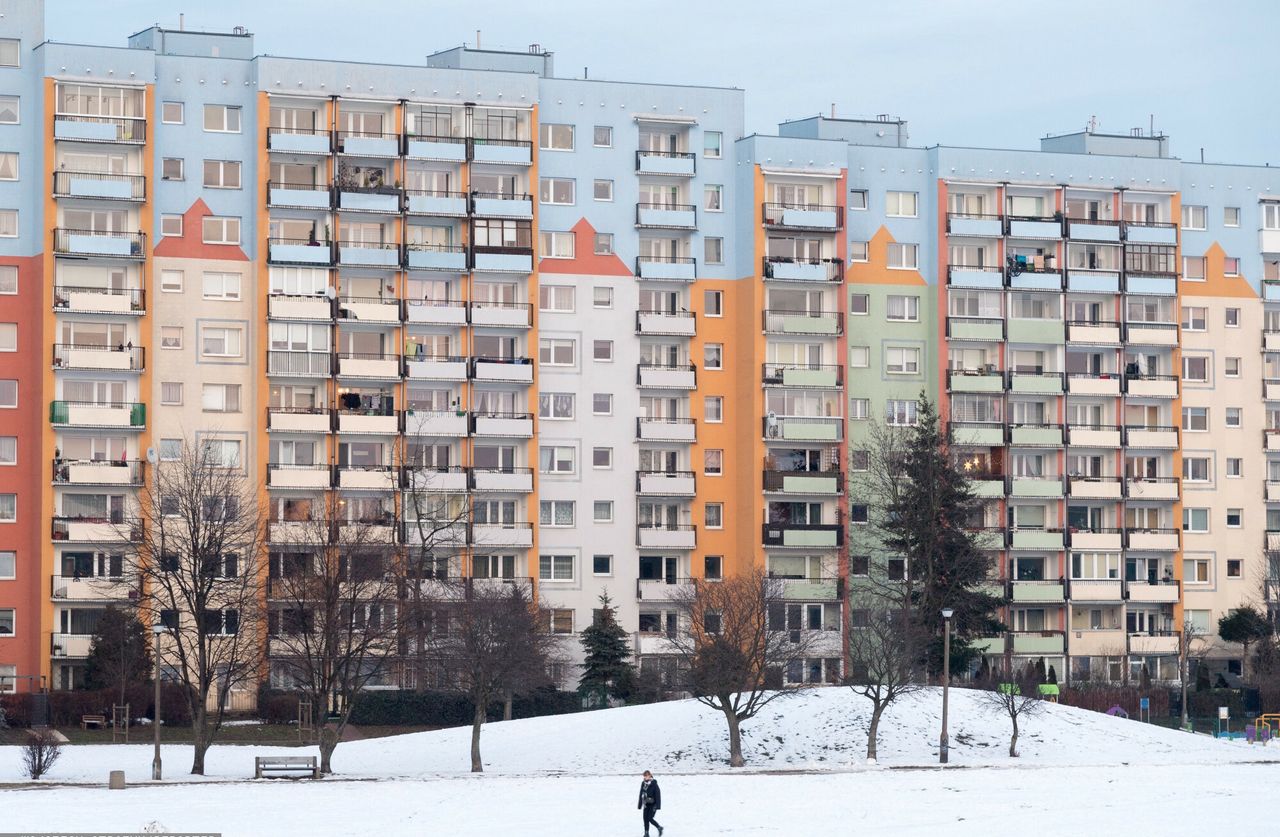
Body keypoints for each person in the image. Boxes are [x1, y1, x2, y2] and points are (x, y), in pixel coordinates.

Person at [637, 770, 663, 836]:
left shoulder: (654, 784)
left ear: (650, 775)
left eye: (647, 776)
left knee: (650, 818)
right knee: (645, 819)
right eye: (644, 776)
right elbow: (641, 793)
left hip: (653, 804)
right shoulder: (643, 783)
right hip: (646, 804)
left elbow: (658, 795)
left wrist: (657, 806)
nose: (645, 777)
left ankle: (659, 827)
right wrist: (640, 805)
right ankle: (646, 833)